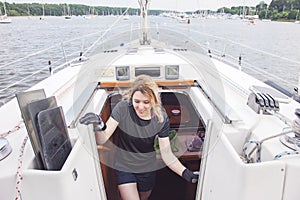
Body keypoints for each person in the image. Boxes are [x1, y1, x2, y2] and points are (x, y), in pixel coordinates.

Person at [79, 75, 199, 200]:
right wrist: (99, 126)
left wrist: (186, 173)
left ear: (154, 101)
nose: (141, 107)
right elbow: (102, 139)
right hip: (124, 167)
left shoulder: (161, 119)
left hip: (147, 168)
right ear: (131, 98)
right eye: (137, 101)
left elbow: (167, 154)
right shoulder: (122, 108)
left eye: (146, 102)